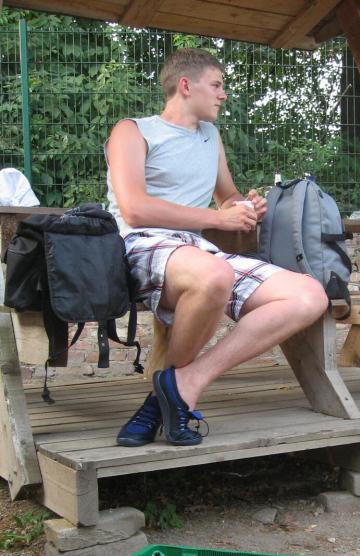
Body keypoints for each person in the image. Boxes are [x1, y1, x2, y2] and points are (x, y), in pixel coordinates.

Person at [106, 48, 328, 446]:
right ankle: (171, 394)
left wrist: (244, 208)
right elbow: (134, 209)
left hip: (197, 250)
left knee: (309, 296)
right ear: (186, 85)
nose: (224, 94)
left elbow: (226, 197)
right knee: (215, 275)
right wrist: (217, 219)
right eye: (217, 85)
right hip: (142, 244)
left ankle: (185, 383)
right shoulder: (133, 131)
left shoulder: (210, 136)